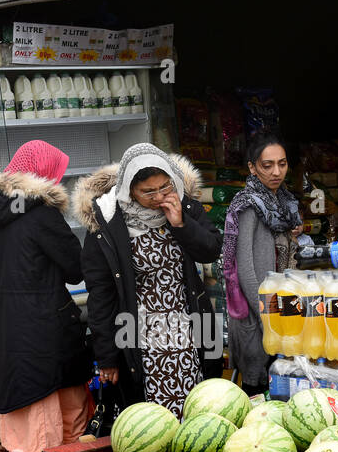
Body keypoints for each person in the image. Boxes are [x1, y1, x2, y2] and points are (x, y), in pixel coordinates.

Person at [74, 143, 223, 419]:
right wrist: (106, 355)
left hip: (192, 328)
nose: (159, 197)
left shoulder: (185, 205)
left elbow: (211, 249)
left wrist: (181, 224)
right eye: (148, 192)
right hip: (141, 337)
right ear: (129, 189)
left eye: (165, 187)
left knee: (200, 411)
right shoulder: (107, 223)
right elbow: (101, 294)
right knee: (153, 420)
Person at [0, 140, 93, 452]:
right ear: (46, 176)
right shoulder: (42, 213)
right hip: (49, 333)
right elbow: (75, 269)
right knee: (65, 427)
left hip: (13, 333)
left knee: (25, 434)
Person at [221, 132, 303, 395]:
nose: (276, 171)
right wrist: (266, 315)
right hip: (257, 313)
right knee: (256, 389)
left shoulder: (283, 203)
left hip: (277, 307)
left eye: (282, 163)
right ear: (252, 168)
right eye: (267, 165)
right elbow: (243, 267)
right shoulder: (247, 206)